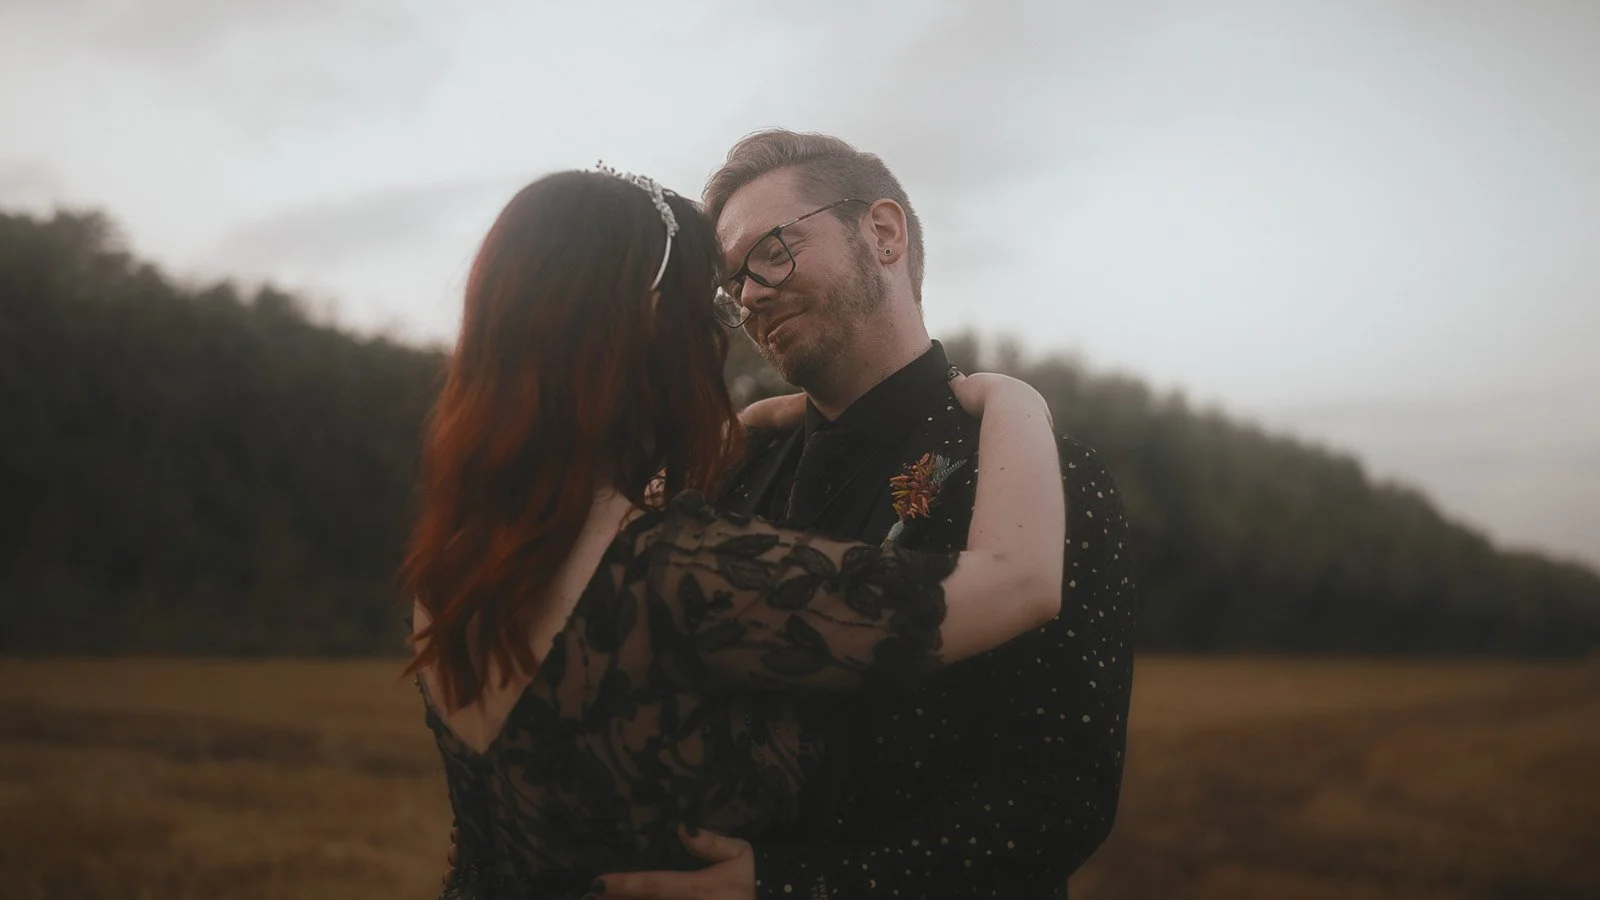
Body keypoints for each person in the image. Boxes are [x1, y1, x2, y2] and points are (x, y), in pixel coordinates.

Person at [404, 165, 1069, 899]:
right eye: (710, 313)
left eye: (773, 254)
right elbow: (1020, 580)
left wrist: (736, 432)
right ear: (653, 337)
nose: (740, 313)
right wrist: (1019, 401)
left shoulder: (462, 566)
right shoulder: (676, 576)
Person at [593, 131, 1138, 900]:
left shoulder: (1042, 474)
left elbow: (1056, 799)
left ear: (882, 234)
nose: (748, 296)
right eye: (734, 281)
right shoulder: (734, 471)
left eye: (772, 251)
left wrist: (787, 887)